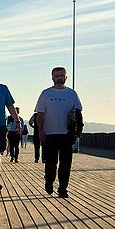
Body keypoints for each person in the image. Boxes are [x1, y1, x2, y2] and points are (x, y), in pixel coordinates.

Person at [34, 66, 83, 198]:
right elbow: (40, 114)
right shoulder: (46, 93)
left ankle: (63, 188)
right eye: (57, 76)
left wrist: (78, 132)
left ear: (66, 77)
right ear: (52, 77)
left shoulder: (72, 94)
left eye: (62, 76)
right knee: (51, 162)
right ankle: (49, 182)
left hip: (67, 134)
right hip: (50, 134)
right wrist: (41, 132)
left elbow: (78, 114)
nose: (59, 78)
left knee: (65, 164)